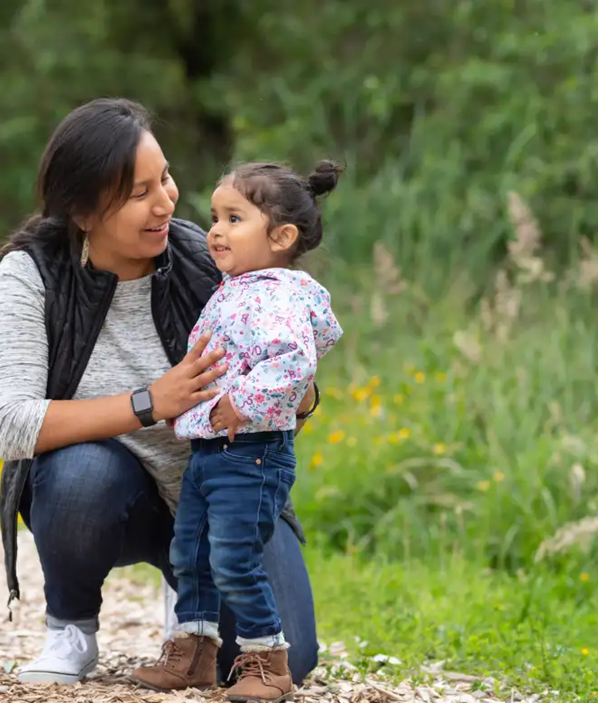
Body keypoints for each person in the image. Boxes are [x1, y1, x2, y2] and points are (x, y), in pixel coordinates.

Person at [0, 97, 322, 688]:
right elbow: (10, 424)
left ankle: (186, 600)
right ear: (83, 210)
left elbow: (295, 394)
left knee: (290, 657)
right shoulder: (32, 274)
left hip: (225, 491)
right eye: (139, 193)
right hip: (109, 491)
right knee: (80, 474)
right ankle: (71, 629)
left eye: (163, 178)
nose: (166, 201)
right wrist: (150, 402)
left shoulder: (209, 257)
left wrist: (294, 390)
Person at [129, 160, 343, 702]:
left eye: (233, 218)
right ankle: (194, 652)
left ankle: (267, 660)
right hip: (211, 451)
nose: (215, 231)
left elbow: (294, 363)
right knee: (191, 552)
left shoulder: (280, 294)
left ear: (281, 236)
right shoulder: (239, 286)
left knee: (233, 557)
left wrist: (240, 403)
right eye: (215, 217)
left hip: (251, 453)